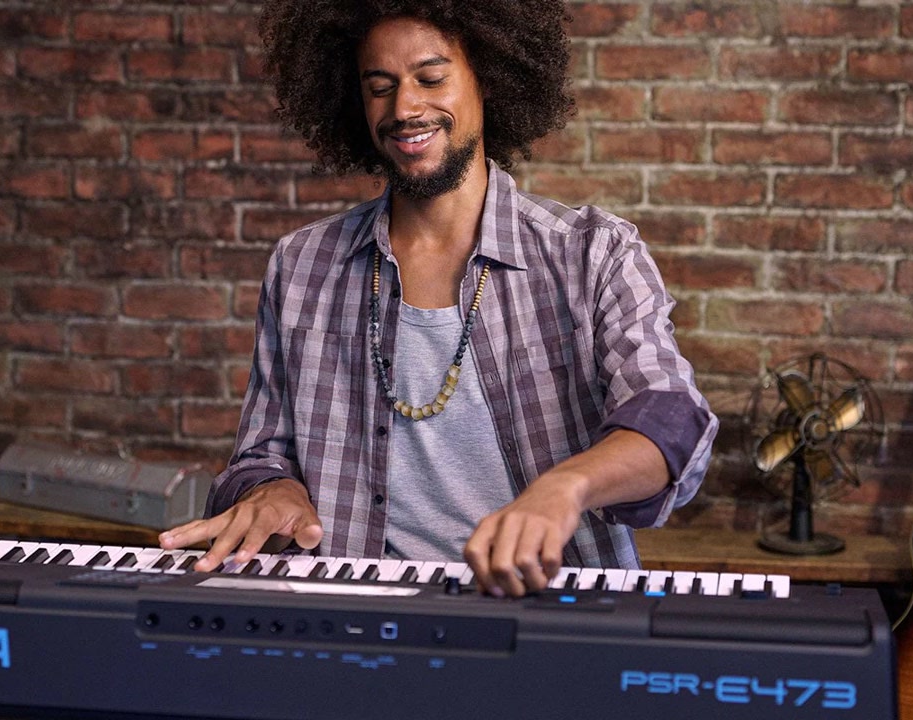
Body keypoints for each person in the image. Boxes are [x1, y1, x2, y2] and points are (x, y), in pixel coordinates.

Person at [159, 0, 718, 597]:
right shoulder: (302, 267)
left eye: (431, 78)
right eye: (380, 87)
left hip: (555, 614)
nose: (404, 108)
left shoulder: (592, 253)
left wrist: (566, 486)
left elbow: (671, 419)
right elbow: (259, 456)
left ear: (488, 78)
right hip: (358, 617)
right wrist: (272, 489)